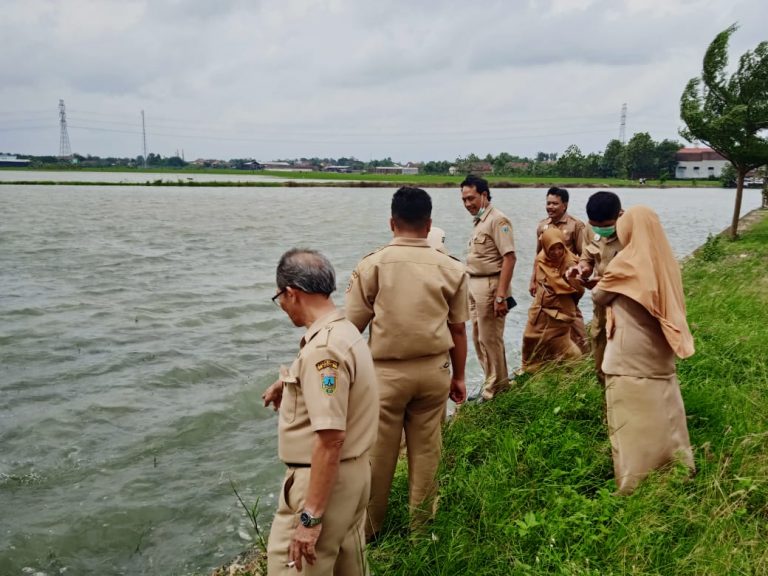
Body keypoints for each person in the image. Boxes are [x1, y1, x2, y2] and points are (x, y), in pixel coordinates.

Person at [345, 187, 468, 539]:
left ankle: (369, 531)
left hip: (385, 376)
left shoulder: (372, 265)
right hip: (434, 372)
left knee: (378, 456)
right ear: (429, 224)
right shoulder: (452, 268)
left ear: (391, 222)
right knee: (428, 452)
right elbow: (458, 330)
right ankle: (421, 529)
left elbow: (350, 329)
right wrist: (459, 378)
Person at [262, 249, 378, 575]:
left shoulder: (323, 348)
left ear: (291, 293)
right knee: (348, 566)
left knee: (291, 568)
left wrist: (310, 517)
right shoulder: (344, 331)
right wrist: (287, 383)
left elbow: (329, 439)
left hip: (322, 480)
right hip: (354, 475)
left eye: (280, 298)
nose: (282, 306)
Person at [592, 206, 695, 495]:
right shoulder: (665, 260)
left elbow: (600, 295)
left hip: (629, 355)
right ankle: (676, 469)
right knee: (664, 412)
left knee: (631, 422)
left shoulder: (627, 261)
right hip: (659, 350)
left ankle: (633, 485)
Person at [460, 174, 516, 400]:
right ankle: (495, 382)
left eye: (471, 198)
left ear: (484, 195)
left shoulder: (498, 220)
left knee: (490, 338)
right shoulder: (480, 221)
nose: (467, 204)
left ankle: (494, 390)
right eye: (464, 200)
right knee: (479, 338)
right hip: (474, 284)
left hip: (492, 285)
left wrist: (501, 296)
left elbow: (510, 258)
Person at [568, 191, 623, 385]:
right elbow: (587, 257)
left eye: (606, 226)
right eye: (596, 225)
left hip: (624, 307)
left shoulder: (632, 231)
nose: (600, 230)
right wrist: (582, 269)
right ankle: (606, 408)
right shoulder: (590, 229)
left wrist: (604, 281)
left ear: (619, 215)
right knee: (600, 357)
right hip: (601, 306)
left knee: (624, 361)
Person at [529, 187, 588, 352]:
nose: (550, 207)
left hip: (565, 285)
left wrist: (579, 282)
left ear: (565, 205)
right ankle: (546, 358)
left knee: (573, 318)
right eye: (548, 203)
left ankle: (586, 355)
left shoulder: (575, 226)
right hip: (544, 285)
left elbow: (583, 256)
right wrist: (533, 280)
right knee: (540, 318)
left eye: (555, 203)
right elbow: (538, 256)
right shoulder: (542, 226)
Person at [521, 227, 585, 372]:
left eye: (559, 248)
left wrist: (563, 300)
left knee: (560, 342)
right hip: (540, 309)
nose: (556, 253)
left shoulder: (569, 264)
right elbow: (538, 278)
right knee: (529, 338)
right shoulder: (541, 258)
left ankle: (576, 368)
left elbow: (579, 290)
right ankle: (531, 370)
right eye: (552, 249)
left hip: (559, 312)